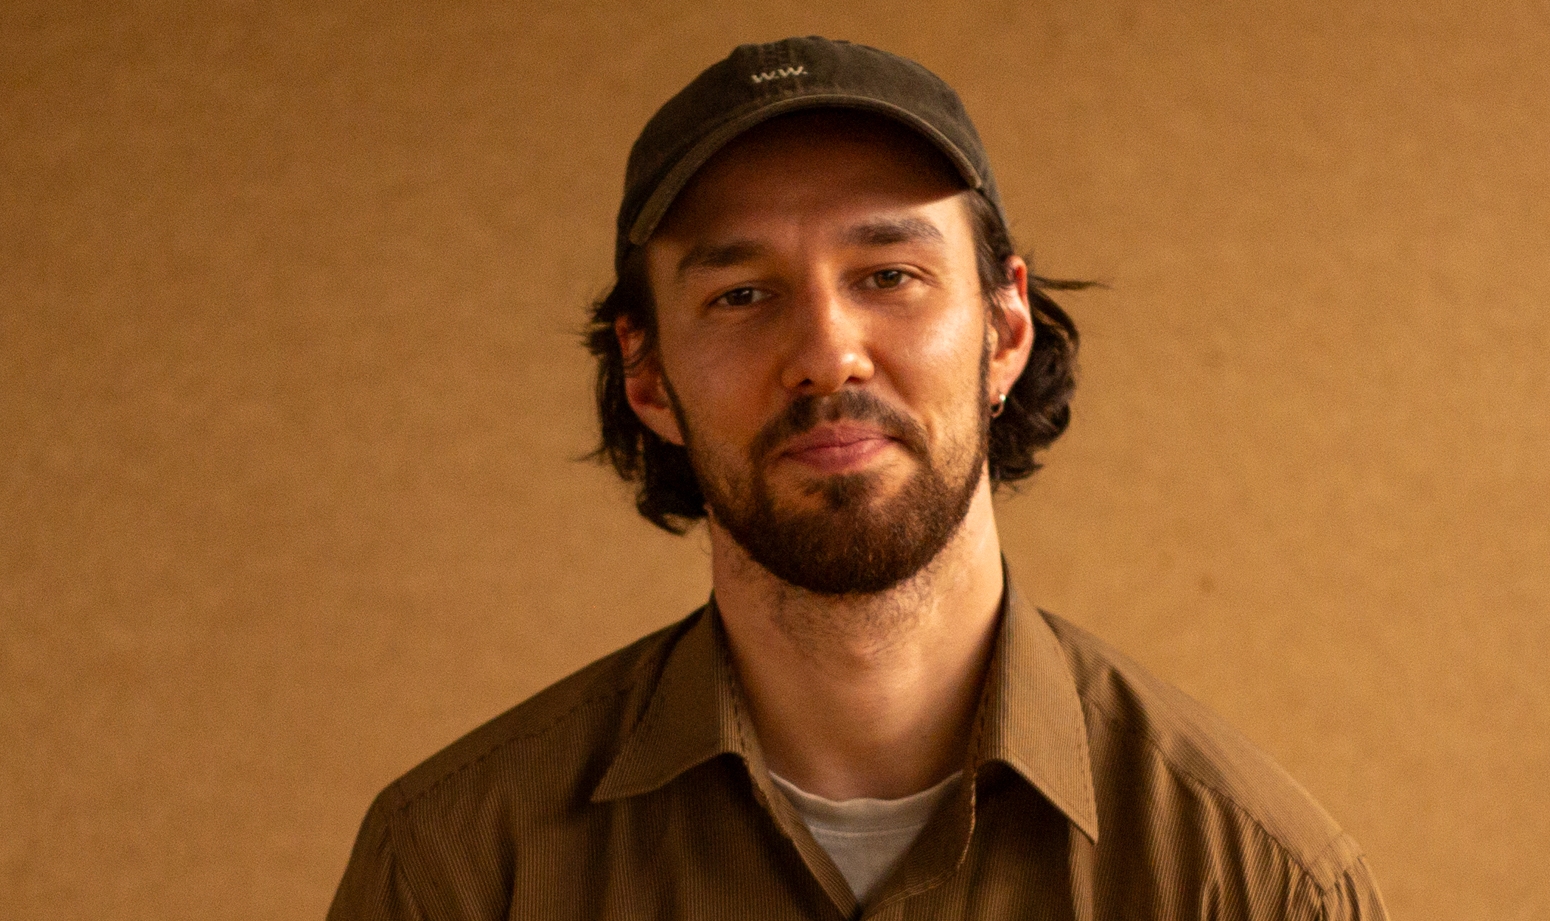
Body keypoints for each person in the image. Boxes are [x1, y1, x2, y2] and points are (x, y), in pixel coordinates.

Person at [328, 36, 1390, 920]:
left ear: (1004, 326)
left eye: (889, 276)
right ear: (646, 372)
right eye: (741, 295)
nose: (826, 351)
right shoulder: (461, 872)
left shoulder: (1251, 883)